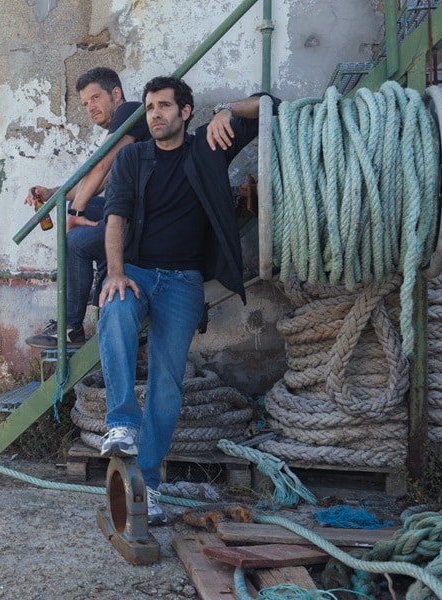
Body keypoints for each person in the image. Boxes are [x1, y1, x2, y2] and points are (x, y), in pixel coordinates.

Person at [97, 76, 278, 524]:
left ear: (185, 111)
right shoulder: (133, 158)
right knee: (114, 310)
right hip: (137, 273)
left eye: (163, 106)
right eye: (150, 107)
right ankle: (121, 422)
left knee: (167, 382)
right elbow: (115, 216)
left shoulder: (208, 146)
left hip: (183, 283)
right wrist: (115, 272)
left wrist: (227, 111)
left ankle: (150, 488)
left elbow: (270, 104)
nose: (155, 114)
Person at [25, 67, 151, 349]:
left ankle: (71, 325)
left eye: (95, 98)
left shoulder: (130, 111)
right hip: (130, 211)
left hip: (145, 219)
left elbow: (100, 165)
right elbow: (95, 181)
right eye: (85, 103)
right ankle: (101, 281)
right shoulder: (125, 135)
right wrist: (52, 193)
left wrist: (75, 214)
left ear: (115, 94)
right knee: (89, 204)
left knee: (75, 241)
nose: (90, 107)